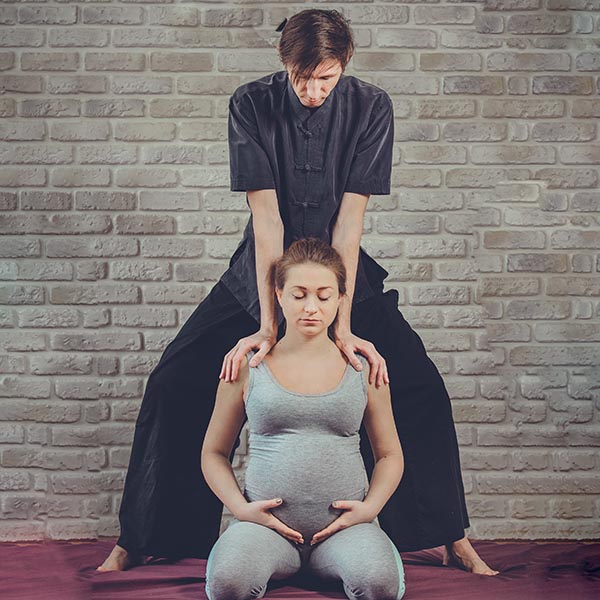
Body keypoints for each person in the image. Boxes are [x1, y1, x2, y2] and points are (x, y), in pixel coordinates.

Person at [98, 8, 498, 576]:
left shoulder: (371, 107)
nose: (312, 91)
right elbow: (267, 223)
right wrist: (267, 322)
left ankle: (448, 537)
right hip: (260, 271)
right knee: (172, 382)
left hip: (340, 273)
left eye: (325, 79)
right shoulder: (251, 103)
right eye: (301, 77)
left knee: (422, 387)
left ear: (346, 66)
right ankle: (139, 538)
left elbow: (350, 223)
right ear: (285, 65)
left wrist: (344, 323)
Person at [201, 238, 406, 600]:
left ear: (342, 299)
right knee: (228, 585)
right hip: (266, 531)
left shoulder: (364, 368)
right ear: (278, 295)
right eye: (299, 294)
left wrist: (370, 509)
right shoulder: (247, 366)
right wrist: (241, 510)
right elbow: (213, 453)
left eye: (324, 296)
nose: (311, 307)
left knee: (378, 586)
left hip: (344, 530)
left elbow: (389, 454)